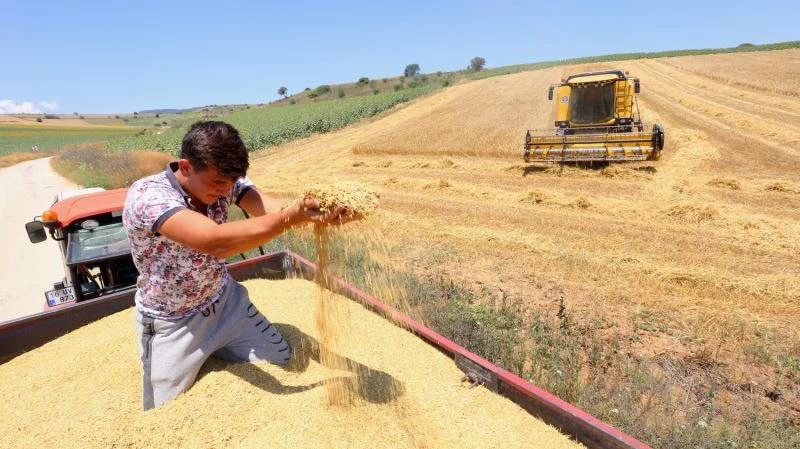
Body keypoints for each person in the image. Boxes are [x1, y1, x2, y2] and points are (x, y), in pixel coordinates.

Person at [123, 120, 360, 410]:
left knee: (284, 359)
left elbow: (273, 211)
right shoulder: (149, 196)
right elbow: (215, 242)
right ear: (185, 167)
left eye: (231, 182)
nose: (225, 190)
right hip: (173, 321)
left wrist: (317, 213)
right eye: (217, 182)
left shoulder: (225, 180)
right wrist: (292, 216)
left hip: (225, 303)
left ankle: (220, 345)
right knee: (164, 410)